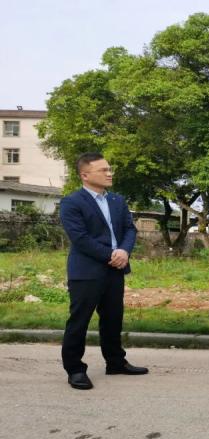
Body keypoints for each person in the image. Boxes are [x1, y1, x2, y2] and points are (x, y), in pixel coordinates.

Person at [59, 152, 148, 390]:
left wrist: (124, 251)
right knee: (79, 321)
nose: (109, 173)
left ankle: (115, 362)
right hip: (86, 271)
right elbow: (80, 238)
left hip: (115, 270)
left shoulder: (117, 200)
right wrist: (112, 255)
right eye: (103, 170)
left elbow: (130, 229)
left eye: (110, 169)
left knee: (113, 318)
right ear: (85, 175)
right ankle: (75, 369)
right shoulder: (72, 202)